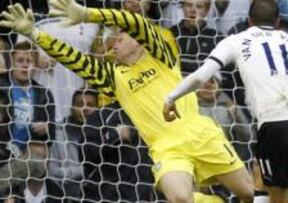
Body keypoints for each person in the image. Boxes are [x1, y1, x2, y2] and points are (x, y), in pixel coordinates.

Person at [0, 1, 254, 203]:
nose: (116, 39)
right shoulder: (113, 76)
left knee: (248, 194)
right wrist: (35, 33)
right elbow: (75, 59)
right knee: (179, 197)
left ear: (140, 42)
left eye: (123, 36)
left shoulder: (160, 55)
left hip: (200, 134)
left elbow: (135, 23)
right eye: (116, 37)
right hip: (166, 148)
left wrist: (90, 14)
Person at [162, 0, 288, 203]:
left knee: (268, 189)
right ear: (277, 21)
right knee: (277, 190)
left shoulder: (235, 41)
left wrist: (170, 98)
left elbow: (199, 77)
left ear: (249, 20)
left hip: (275, 126)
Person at [0, 41, 55, 197]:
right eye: (20, 61)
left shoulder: (44, 95)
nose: (25, 66)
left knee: (38, 159)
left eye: (29, 61)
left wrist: (47, 128)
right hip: (2, 151)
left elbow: (51, 139)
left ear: (36, 65)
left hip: (22, 159)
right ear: (11, 61)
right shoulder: (1, 84)